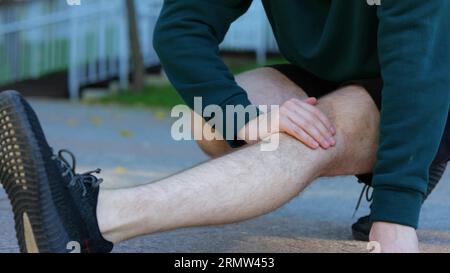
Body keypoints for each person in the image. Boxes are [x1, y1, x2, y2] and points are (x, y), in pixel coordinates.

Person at [0, 0, 448, 253]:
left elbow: (418, 71)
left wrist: (395, 214)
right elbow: (181, 27)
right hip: (339, 75)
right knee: (212, 122)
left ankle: (94, 219)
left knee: (319, 127)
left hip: (430, 82)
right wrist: (248, 119)